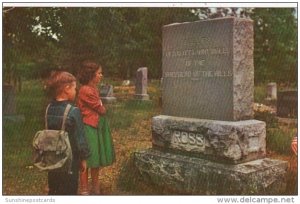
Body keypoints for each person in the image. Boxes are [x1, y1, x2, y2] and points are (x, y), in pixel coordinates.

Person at [44, 71, 90, 195]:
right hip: (70, 161)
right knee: (69, 190)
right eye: (75, 88)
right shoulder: (74, 111)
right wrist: (84, 158)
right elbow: (80, 138)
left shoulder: (49, 108)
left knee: (54, 189)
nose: (76, 91)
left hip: (52, 158)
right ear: (66, 89)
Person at [77, 61, 115, 195]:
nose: (101, 75)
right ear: (91, 75)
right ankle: (85, 189)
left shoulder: (93, 89)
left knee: (95, 158)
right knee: (87, 158)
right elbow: (100, 108)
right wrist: (103, 108)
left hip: (95, 126)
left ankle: (95, 187)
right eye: (99, 73)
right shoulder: (86, 90)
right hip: (88, 127)